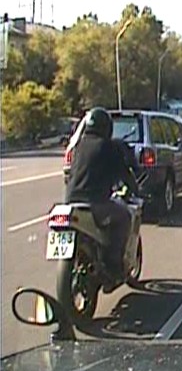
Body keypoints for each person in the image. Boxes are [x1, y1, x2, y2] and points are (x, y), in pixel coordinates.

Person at [65, 107, 139, 291]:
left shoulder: (78, 147)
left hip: (71, 202)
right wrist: (134, 189)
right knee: (124, 217)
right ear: (107, 127)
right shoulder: (109, 147)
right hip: (96, 203)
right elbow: (124, 173)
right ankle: (114, 266)